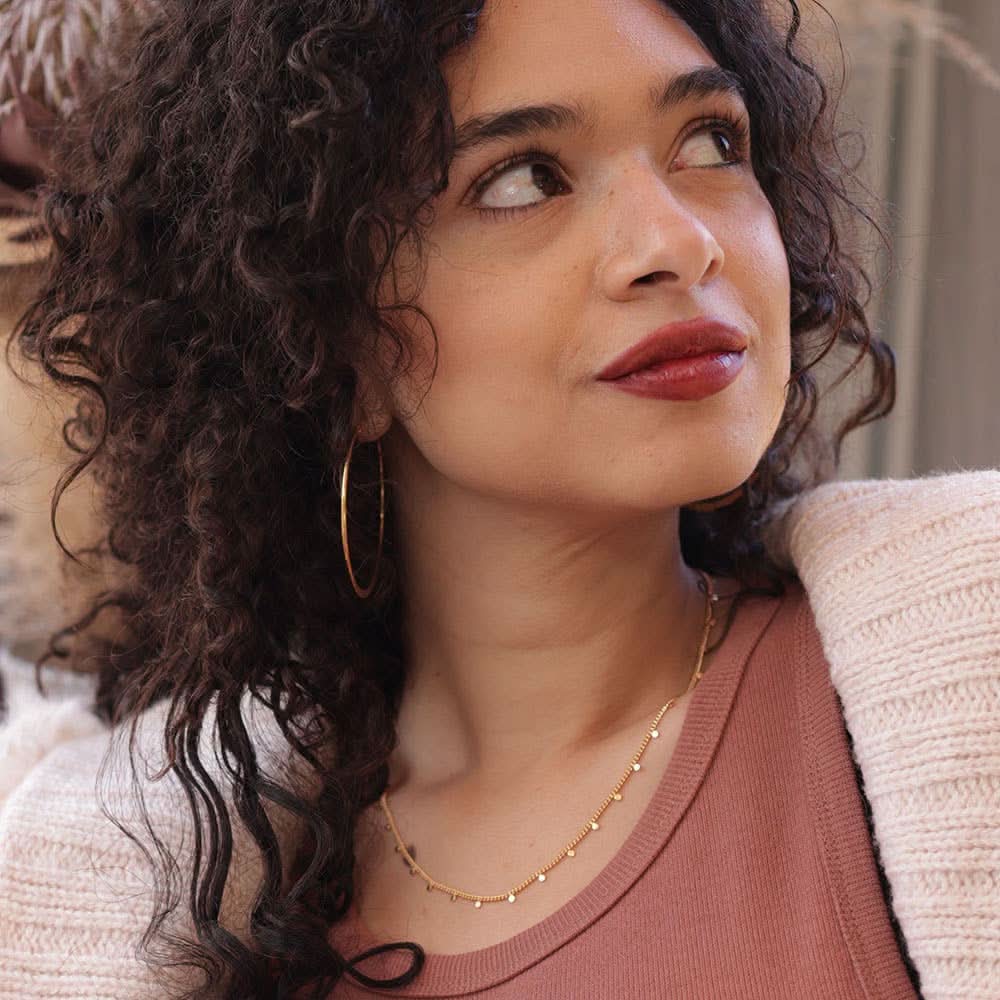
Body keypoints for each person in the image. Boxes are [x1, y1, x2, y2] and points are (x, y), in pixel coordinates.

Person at [0, 1, 997, 998]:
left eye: (710, 143)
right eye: (522, 178)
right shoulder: (150, 885)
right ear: (333, 343)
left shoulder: (961, 676)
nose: (679, 239)